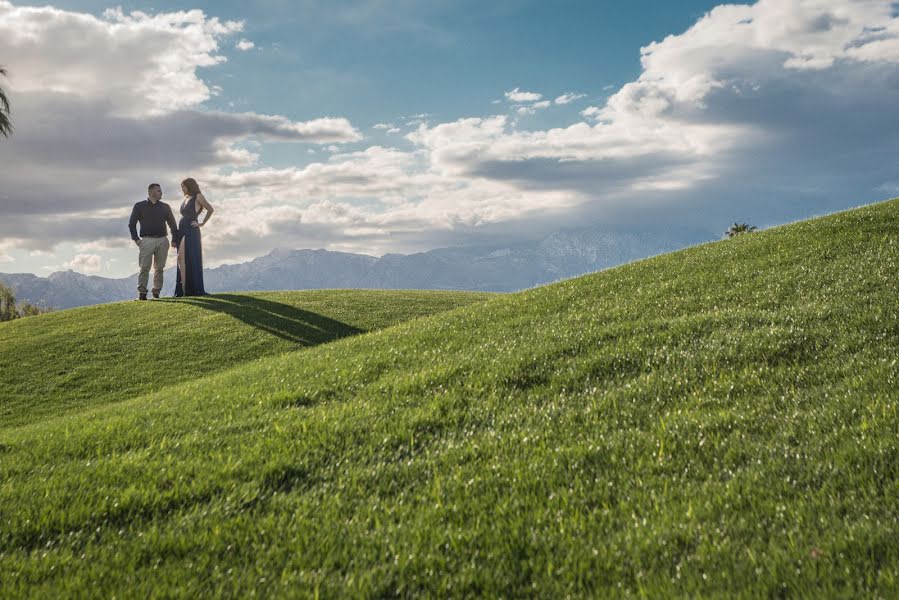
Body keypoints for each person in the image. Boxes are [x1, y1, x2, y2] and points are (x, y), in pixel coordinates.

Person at [128, 183, 178, 300]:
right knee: (144, 267)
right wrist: (136, 240)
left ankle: (156, 292)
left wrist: (174, 239)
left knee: (159, 268)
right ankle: (142, 294)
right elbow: (132, 224)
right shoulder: (139, 206)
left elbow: (172, 225)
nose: (161, 192)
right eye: (158, 191)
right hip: (146, 241)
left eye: (161, 190)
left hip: (162, 240)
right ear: (151, 192)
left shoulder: (165, 207)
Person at [174, 177, 214, 297]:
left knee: (192, 258)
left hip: (191, 230)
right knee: (181, 259)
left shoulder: (198, 196)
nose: (182, 189)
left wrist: (201, 223)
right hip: (182, 230)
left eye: (183, 186)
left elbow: (210, 209)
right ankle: (184, 290)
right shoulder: (186, 198)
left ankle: (195, 289)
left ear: (189, 186)